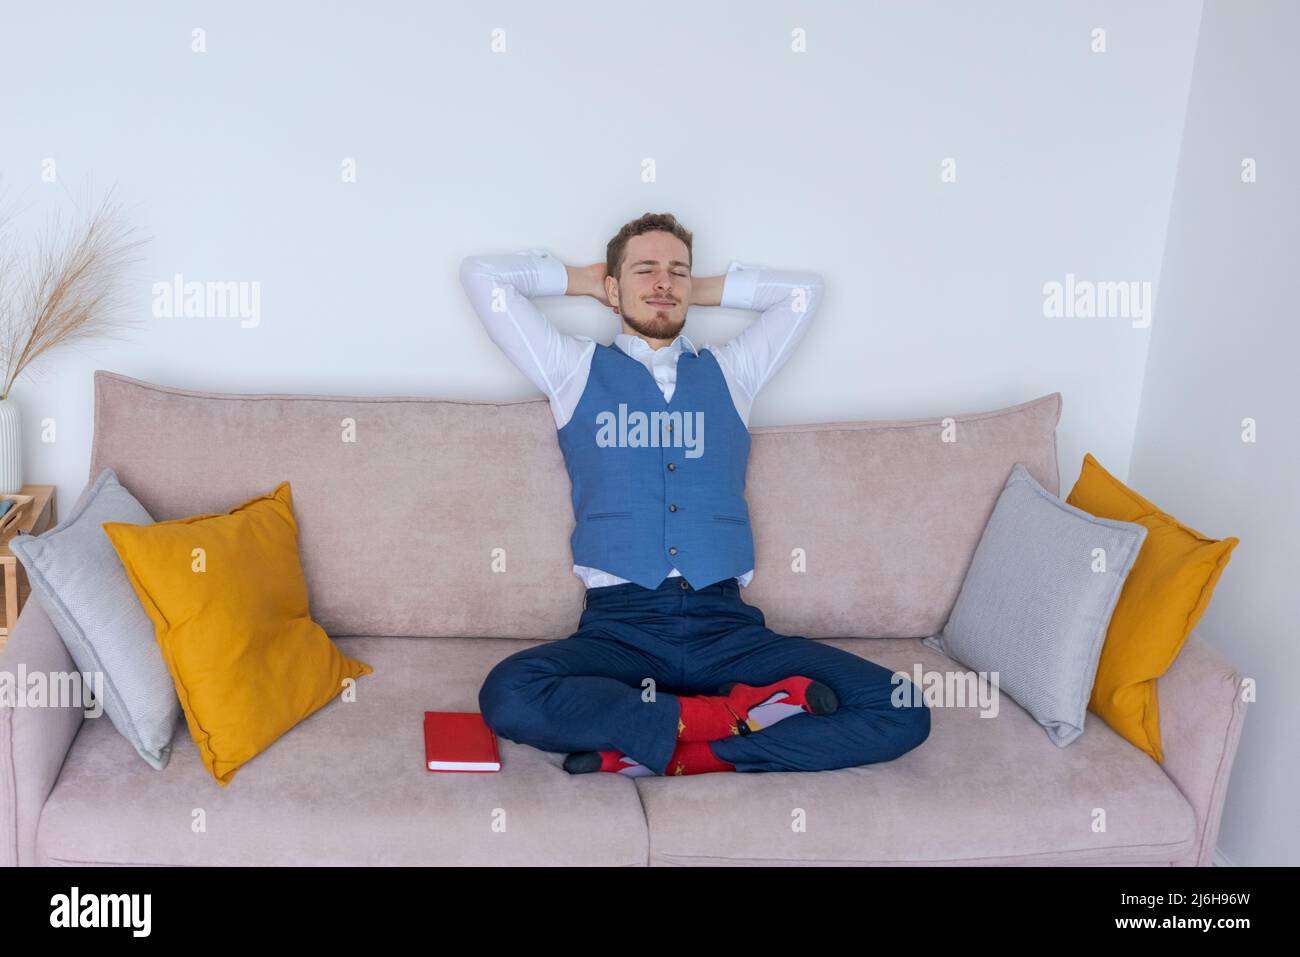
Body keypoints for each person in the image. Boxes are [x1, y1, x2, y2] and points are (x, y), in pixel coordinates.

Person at [462, 212, 930, 776]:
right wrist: (591, 281)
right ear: (613, 287)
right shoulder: (574, 369)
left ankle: (687, 751)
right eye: (645, 271)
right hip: (621, 631)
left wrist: (686, 291)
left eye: (677, 272)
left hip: (727, 629)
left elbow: (804, 294)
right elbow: (483, 277)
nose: (663, 282)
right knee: (508, 693)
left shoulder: (733, 372)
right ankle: (726, 718)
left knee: (903, 709)